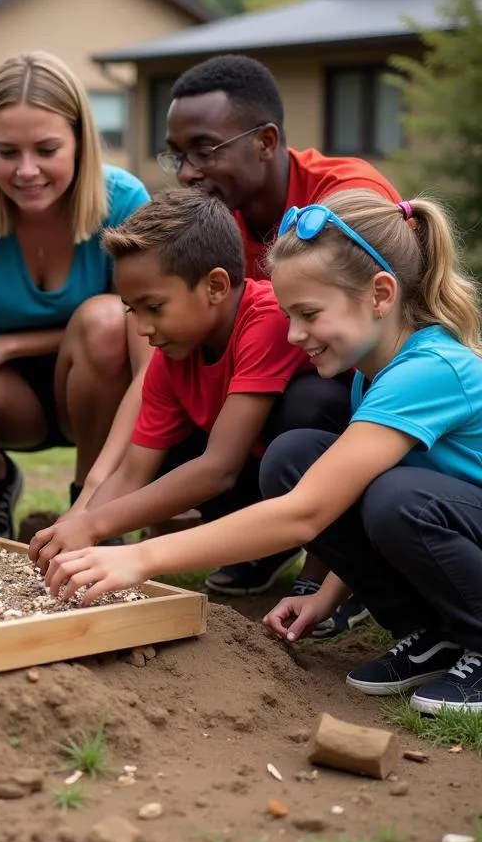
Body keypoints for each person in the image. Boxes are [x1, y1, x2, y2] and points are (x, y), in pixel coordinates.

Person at [41, 189, 482, 714]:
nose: (294, 334)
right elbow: (346, 495)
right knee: (294, 457)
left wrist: (140, 556)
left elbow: (310, 512)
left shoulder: (429, 370)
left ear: (381, 294)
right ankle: (432, 635)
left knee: (393, 495)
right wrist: (327, 595)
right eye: (289, 315)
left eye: (308, 314)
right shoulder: (374, 375)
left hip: (444, 515)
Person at [157, 54, 401, 624]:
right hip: (268, 385)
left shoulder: (344, 200)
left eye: (205, 148)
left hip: (356, 399)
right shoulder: (218, 221)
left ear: (265, 141)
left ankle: (333, 566)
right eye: (177, 154)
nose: (188, 170)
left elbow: (385, 347)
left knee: (309, 401)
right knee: (186, 388)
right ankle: (262, 545)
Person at [0, 51, 152, 553]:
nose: (26, 170)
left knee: (107, 320)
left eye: (46, 149)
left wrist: (10, 344)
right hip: (5, 394)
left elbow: (152, 359)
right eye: (7, 152)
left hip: (99, 381)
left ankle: (91, 503)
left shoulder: (125, 201)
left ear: (80, 141)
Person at [29, 188, 311, 566]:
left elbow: (219, 468)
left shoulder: (267, 319)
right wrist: (75, 525)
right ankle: (258, 556)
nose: (143, 328)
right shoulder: (172, 353)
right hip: (253, 478)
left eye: (155, 307)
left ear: (215, 286)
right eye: (133, 310)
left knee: (310, 403)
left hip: (309, 471)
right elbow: (132, 472)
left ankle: (330, 572)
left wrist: (94, 525)